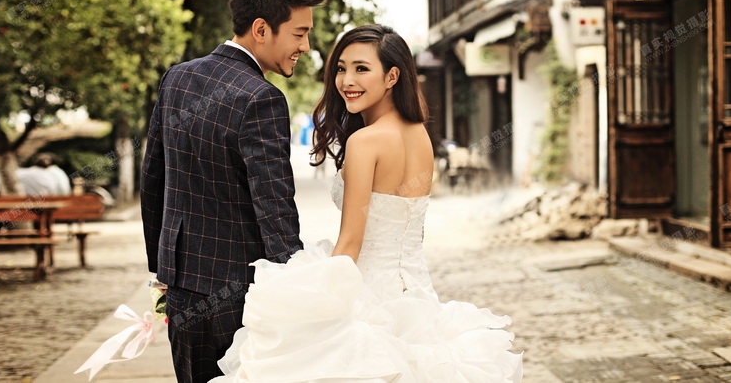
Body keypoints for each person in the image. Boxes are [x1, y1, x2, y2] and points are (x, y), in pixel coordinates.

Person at [210, 25, 523, 381]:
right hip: (416, 297)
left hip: (368, 296)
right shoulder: (419, 134)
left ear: (392, 77)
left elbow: (350, 244)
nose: (347, 81)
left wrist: (314, 305)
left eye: (361, 69)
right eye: (341, 68)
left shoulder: (365, 142)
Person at [140, 0, 327, 383]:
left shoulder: (177, 79)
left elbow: (153, 182)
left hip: (182, 287)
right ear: (261, 29)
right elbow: (274, 208)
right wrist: (295, 289)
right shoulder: (262, 98)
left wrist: (164, 271)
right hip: (241, 296)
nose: (306, 46)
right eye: (299, 33)